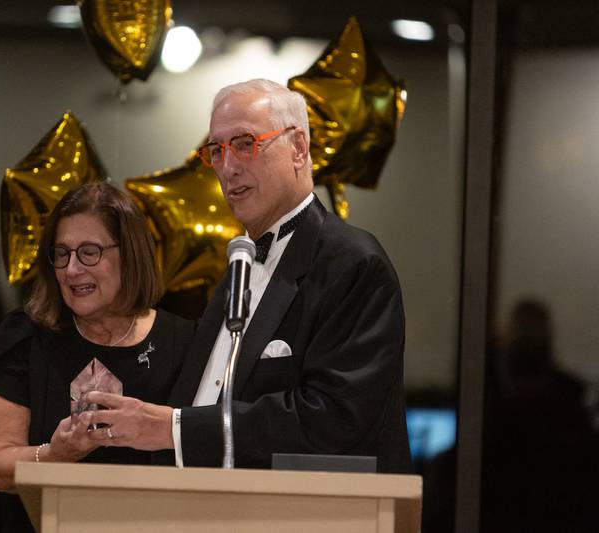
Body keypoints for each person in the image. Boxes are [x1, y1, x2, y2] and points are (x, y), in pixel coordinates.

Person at [78, 78, 411, 473]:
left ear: (299, 148)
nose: (228, 167)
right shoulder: (239, 266)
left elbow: (334, 418)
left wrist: (176, 430)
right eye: (216, 151)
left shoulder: (354, 263)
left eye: (244, 143)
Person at [0, 182, 195, 532]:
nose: (72, 269)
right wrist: (54, 455)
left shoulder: (184, 342)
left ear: (129, 253)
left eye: (89, 252)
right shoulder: (29, 336)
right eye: (62, 253)